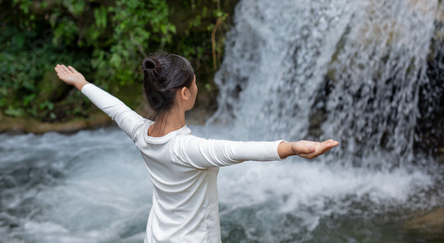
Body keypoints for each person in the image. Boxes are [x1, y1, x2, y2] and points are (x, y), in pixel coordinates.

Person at [54, 53, 338, 243]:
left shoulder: (142, 133)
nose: (198, 86)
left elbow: (116, 109)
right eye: (194, 82)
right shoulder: (190, 149)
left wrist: (83, 84)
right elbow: (242, 150)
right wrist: (293, 147)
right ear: (185, 93)